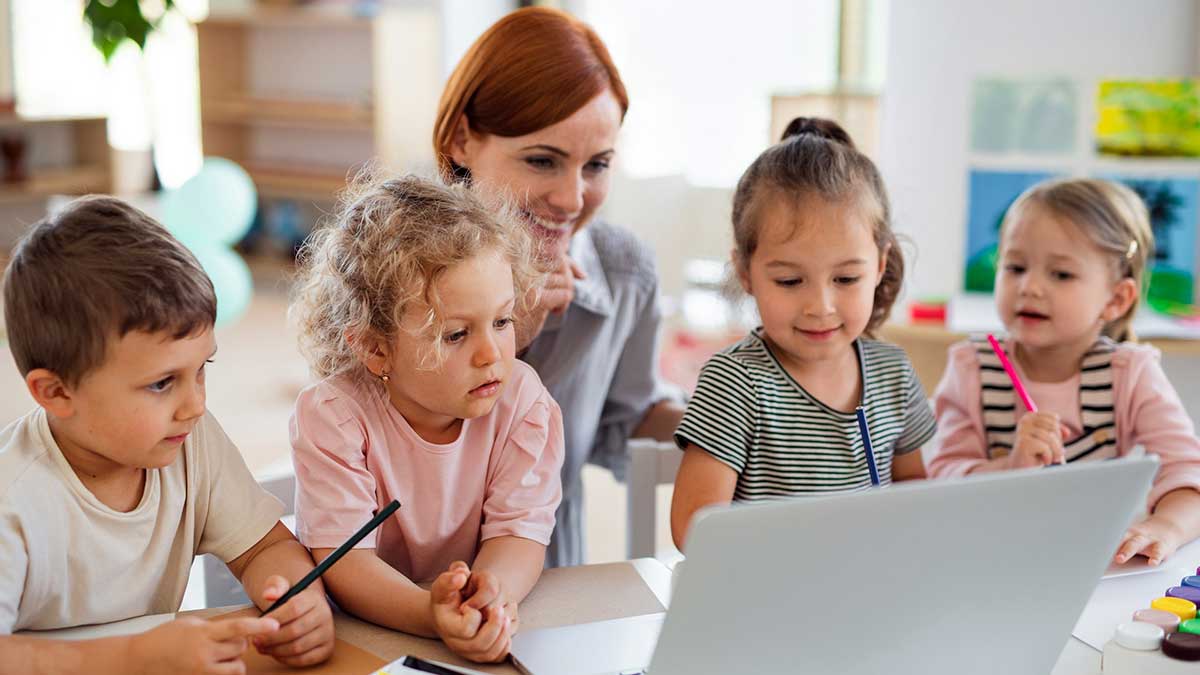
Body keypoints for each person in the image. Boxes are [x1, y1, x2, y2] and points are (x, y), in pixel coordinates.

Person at [0, 196, 334, 673]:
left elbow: (265, 547)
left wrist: (297, 600)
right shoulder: (12, 498)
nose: (196, 406)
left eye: (202, 369)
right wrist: (137, 657)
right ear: (55, 392)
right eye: (161, 383)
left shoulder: (188, 442)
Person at [433, 7, 684, 566]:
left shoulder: (624, 274)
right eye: (542, 160)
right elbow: (385, 463)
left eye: (596, 165)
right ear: (460, 140)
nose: (572, 200)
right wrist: (504, 338)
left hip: (550, 586)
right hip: (407, 593)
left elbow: (627, 421)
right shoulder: (390, 269)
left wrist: (739, 412)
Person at [289, 173, 564, 663]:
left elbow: (518, 534)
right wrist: (431, 614)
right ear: (375, 349)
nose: (490, 355)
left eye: (501, 322)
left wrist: (489, 599)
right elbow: (346, 565)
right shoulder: (333, 416)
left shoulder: (522, 401)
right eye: (456, 335)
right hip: (366, 637)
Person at [669, 119, 936, 549]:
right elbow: (694, 530)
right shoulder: (734, 384)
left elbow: (916, 501)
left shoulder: (893, 374)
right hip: (769, 604)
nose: (821, 306)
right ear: (746, 273)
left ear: (880, 266)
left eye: (847, 279)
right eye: (791, 281)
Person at [927, 177, 1200, 566]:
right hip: (987, 559)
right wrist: (1011, 466)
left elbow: (1188, 473)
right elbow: (941, 481)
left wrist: (1166, 528)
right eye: (1015, 267)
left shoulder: (1130, 372)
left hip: (1091, 566)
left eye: (1061, 274)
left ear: (1116, 298)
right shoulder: (972, 367)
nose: (1030, 287)